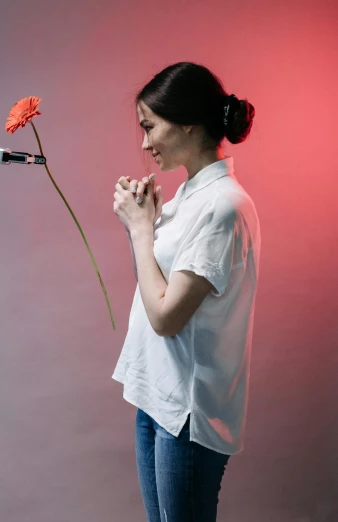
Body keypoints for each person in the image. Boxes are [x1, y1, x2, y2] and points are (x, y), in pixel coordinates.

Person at [111, 62, 261, 522]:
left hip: (187, 418)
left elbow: (165, 317)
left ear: (188, 121)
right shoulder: (188, 198)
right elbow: (161, 288)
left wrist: (140, 232)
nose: (144, 143)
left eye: (149, 126)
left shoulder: (222, 207)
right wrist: (151, 221)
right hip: (159, 399)